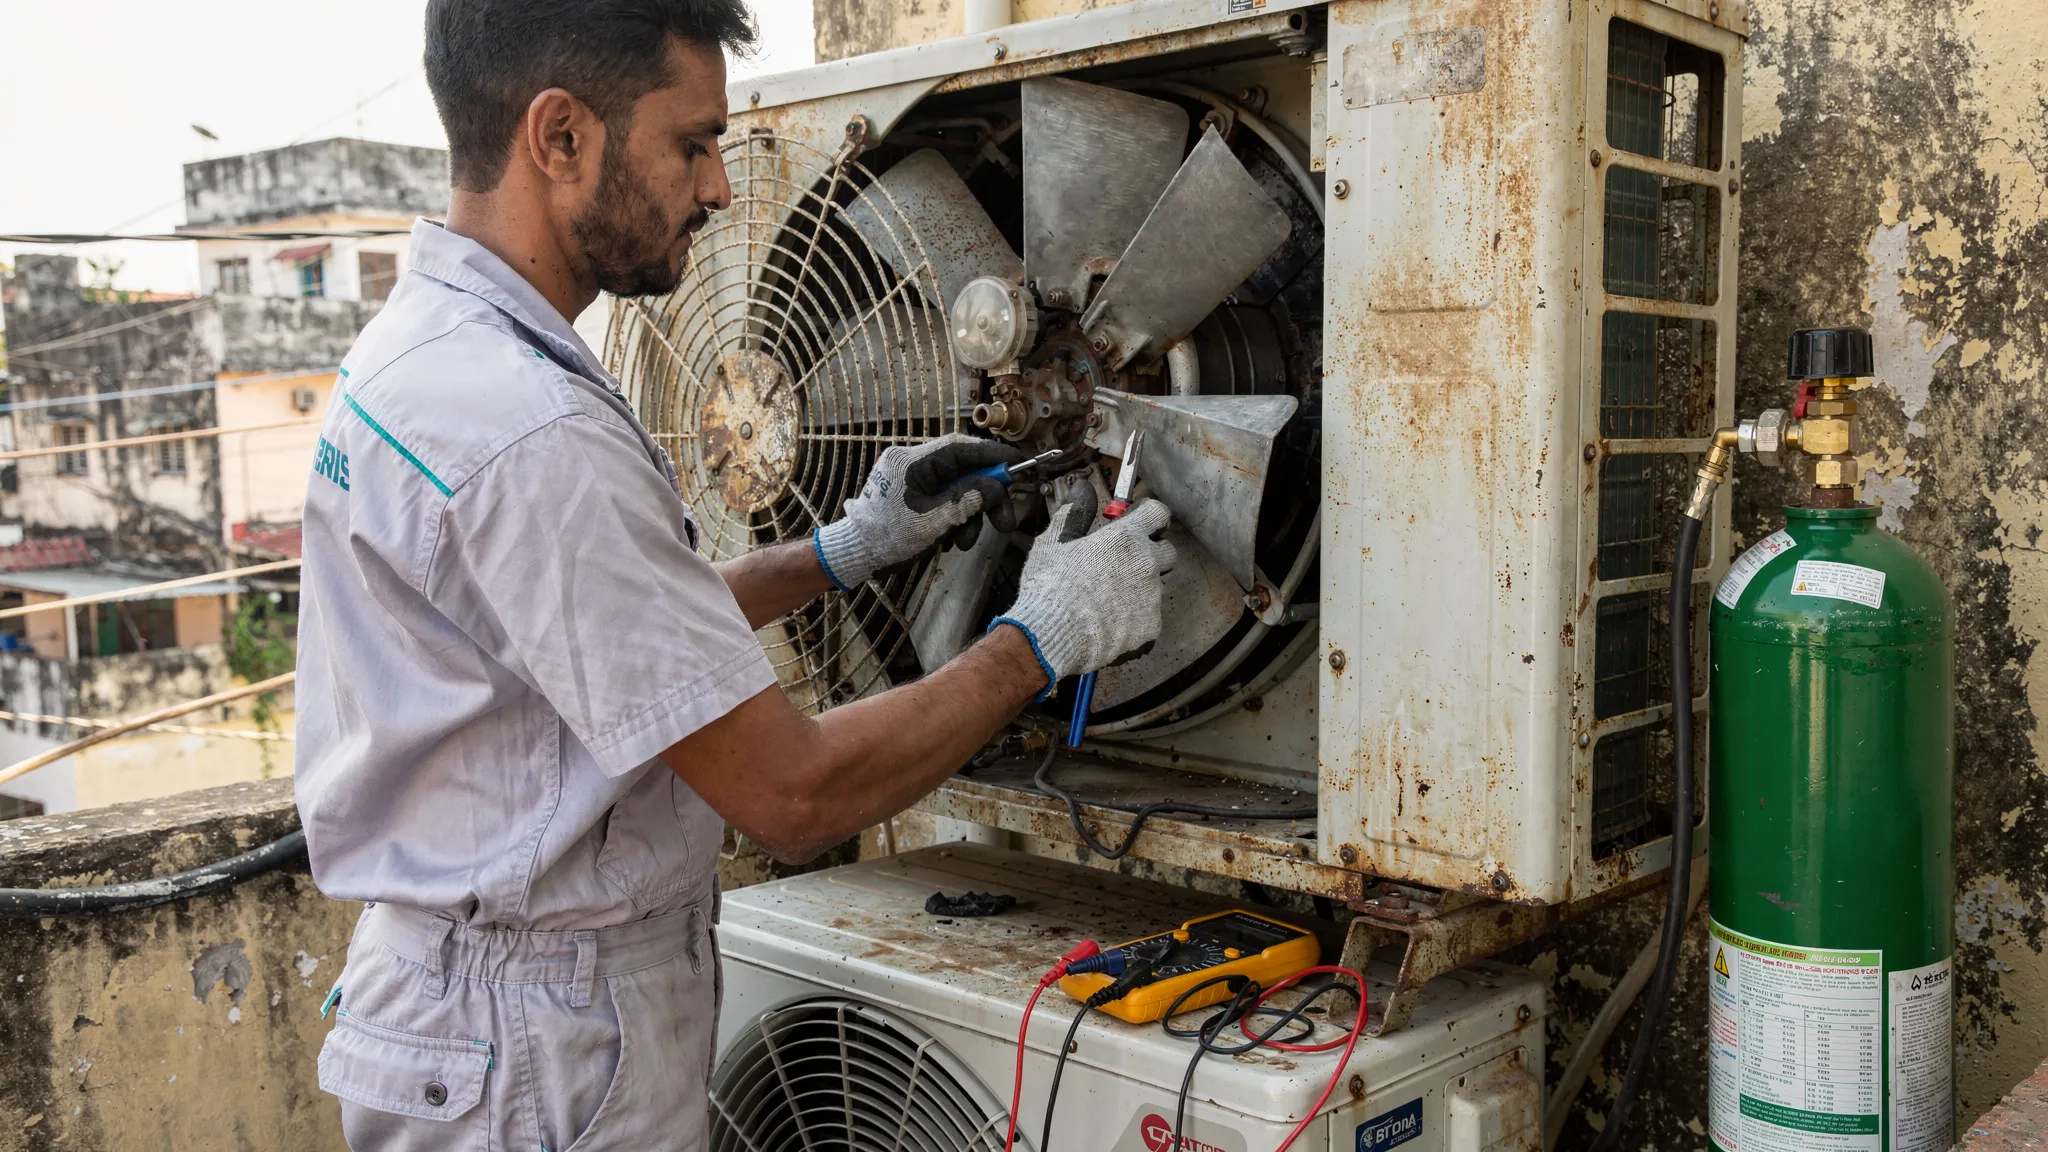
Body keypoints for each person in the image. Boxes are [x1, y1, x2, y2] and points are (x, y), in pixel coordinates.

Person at [293, 0, 1174, 1148]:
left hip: (461, 1002)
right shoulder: (531, 433)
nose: (717, 187)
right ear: (559, 139)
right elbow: (792, 797)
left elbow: (581, 647)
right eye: (692, 143)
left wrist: (834, 552)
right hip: (537, 1047)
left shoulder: (426, 354)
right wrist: (1038, 636)